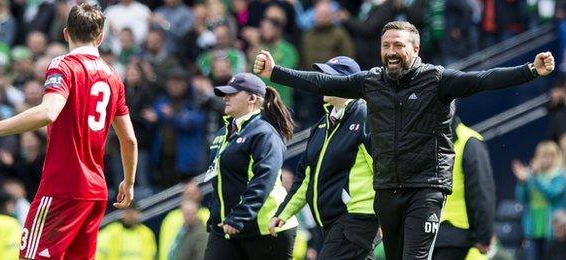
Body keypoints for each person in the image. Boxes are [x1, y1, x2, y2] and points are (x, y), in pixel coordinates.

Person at [253, 20, 555, 260]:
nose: (391, 51)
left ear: (415, 47)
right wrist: (275, 72)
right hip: (386, 190)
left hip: (426, 188)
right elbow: (324, 81)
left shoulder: (436, 79)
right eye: (386, 45)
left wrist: (530, 70)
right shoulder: (371, 80)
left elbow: (483, 79)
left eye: (398, 45)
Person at [0, 3, 138, 259]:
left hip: (62, 188)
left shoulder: (64, 64)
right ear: (100, 37)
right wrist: (130, 181)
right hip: (94, 192)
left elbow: (48, 112)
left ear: (66, 33)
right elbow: (129, 140)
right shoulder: (113, 77)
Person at [269, 56, 378, 260]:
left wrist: (388, 217)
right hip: (331, 223)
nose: (323, 81)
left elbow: (383, 169)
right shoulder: (322, 124)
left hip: (357, 218)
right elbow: (305, 177)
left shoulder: (365, 115)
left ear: (347, 81)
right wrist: (283, 213)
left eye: (329, 76)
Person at [203, 72, 299, 259]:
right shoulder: (223, 133)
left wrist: (240, 216)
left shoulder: (265, 133)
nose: (226, 97)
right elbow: (220, 178)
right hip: (227, 227)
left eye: (232, 93)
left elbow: (264, 178)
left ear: (252, 98)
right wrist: (215, 214)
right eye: (225, 93)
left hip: (266, 228)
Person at [433, 117, 496, 260]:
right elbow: (482, 192)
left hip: (445, 234)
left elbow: (481, 193)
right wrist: (484, 237)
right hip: (456, 236)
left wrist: (483, 235)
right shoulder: (471, 142)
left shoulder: (468, 141)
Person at [512, 141, 566, 260]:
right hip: (533, 226)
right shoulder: (532, 176)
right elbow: (521, 198)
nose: (544, 159)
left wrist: (536, 178)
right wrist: (522, 182)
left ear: (556, 157)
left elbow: (552, 193)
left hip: (552, 229)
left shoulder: (561, 176)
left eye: (548, 156)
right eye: (541, 156)